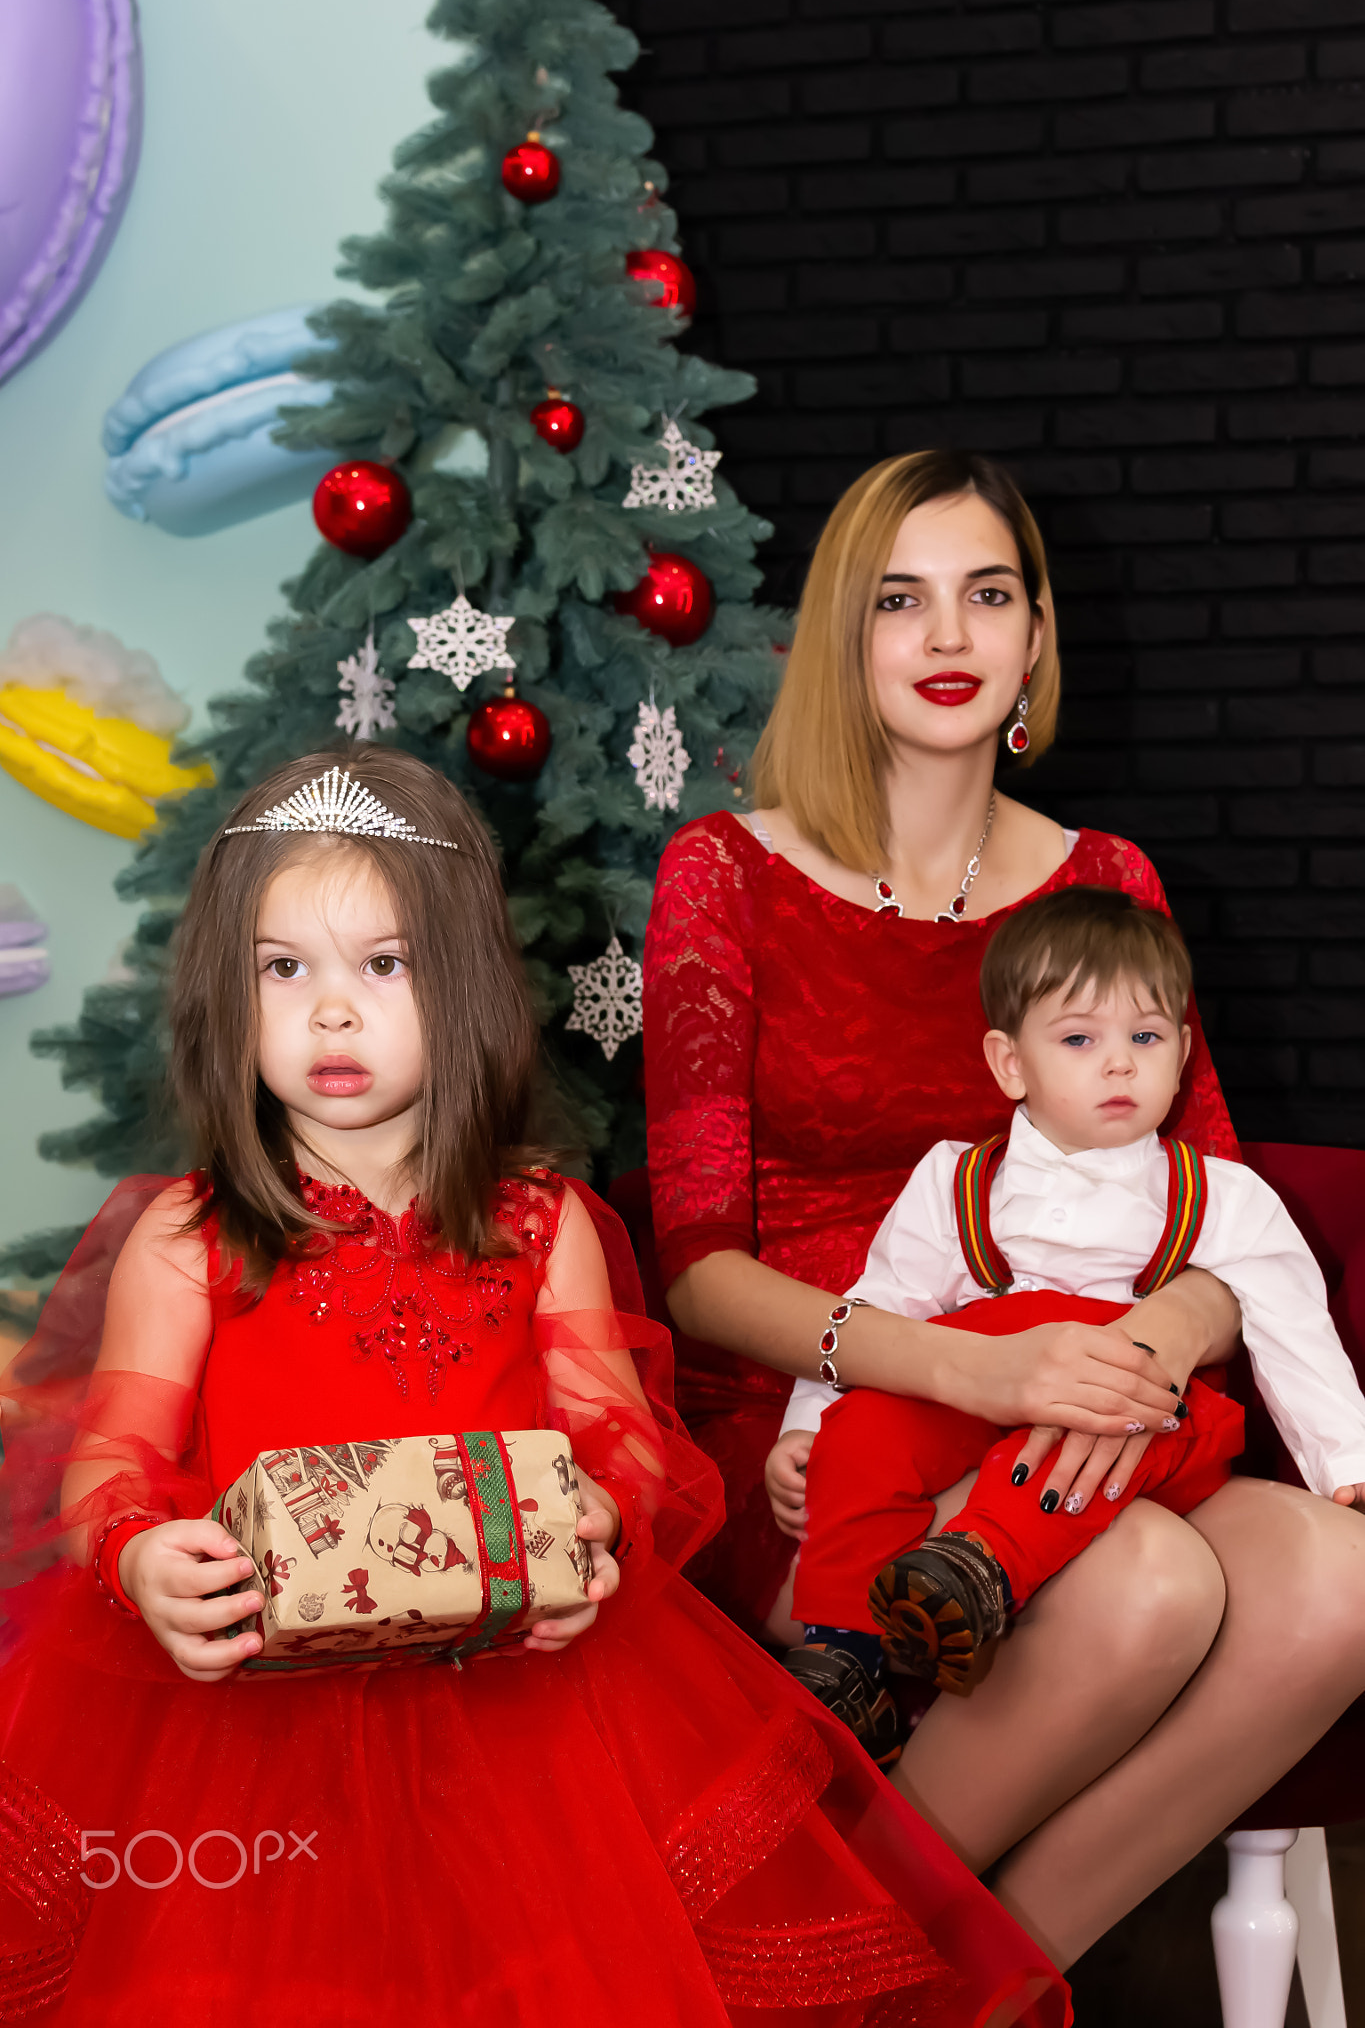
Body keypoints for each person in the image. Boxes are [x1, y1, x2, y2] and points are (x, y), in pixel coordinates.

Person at [0, 748, 1066, 2027]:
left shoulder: (534, 1221)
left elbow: (621, 1444)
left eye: (381, 966)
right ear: (228, 997)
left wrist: (591, 1530)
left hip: (527, 1717)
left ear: (462, 989)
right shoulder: (193, 1237)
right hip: (249, 1734)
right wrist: (140, 1557)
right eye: (285, 969)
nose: (330, 1013)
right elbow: (107, 1464)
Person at [642, 449, 1365, 1970]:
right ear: (843, 641)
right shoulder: (723, 872)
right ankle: (800, 1948)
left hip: (1092, 1394)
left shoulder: (1107, 880)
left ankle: (942, 1984)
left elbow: (1208, 1199)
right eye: (901, 602)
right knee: (1154, 1584)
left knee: (1336, 1585)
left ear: (1036, 637)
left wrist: (1158, 1334)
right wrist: (966, 1368)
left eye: (988, 596)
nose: (951, 637)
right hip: (824, 1425)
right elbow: (697, 1270)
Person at [778, 886, 1365, 1747]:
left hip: (1145, 1417)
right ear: (1009, 1063)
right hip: (986, 1397)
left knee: (1113, 1422)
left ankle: (977, 1567)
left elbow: (1293, 1332)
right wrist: (811, 1425)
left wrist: (1345, 1465)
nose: (1119, 1064)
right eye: (1080, 1039)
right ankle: (841, 1650)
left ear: (1182, 1055)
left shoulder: (1221, 1197)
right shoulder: (954, 1181)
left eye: (1145, 1037)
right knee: (864, 1428)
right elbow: (880, 1308)